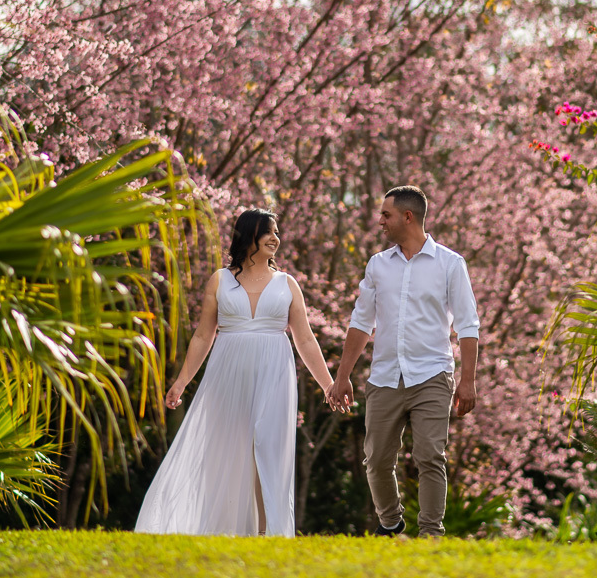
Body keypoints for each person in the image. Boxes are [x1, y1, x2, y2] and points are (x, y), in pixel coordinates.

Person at [135, 209, 336, 537]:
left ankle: (266, 532)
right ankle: (224, 529)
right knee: (228, 450)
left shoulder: (288, 284)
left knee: (269, 446)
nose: (276, 238)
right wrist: (181, 383)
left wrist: (328, 385)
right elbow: (203, 335)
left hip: (275, 373)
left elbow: (305, 339)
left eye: (277, 231)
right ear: (248, 236)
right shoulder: (220, 280)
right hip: (227, 374)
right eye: (268, 232)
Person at [327, 185, 480, 537]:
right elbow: (360, 322)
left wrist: (468, 380)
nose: (380, 221)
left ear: (407, 217)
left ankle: (430, 534)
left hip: (432, 375)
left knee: (430, 456)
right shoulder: (378, 266)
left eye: (386, 215)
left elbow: (468, 324)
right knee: (377, 461)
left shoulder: (450, 264)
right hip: (384, 377)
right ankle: (391, 523)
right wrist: (343, 376)